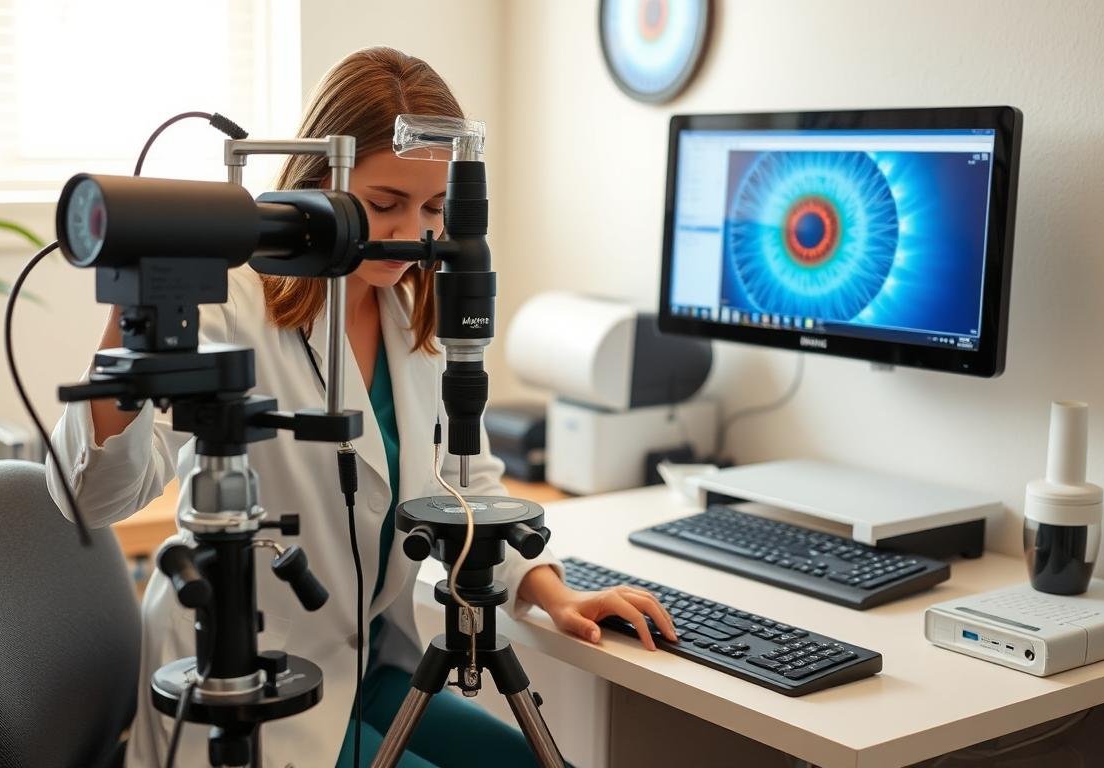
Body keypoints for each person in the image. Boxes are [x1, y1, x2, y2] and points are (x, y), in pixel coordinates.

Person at [47, 46, 676, 768]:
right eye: (384, 205)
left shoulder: (415, 318)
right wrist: (133, 315)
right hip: (255, 680)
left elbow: (464, 481)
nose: (413, 230)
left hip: (370, 665)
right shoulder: (231, 301)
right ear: (321, 185)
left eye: (436, 208)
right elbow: (94, 496)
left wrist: (548, 589)